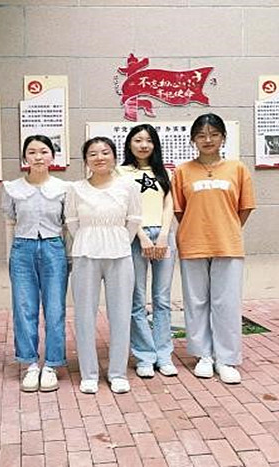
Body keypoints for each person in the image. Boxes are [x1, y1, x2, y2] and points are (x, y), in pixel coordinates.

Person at [172, 113, 256, 384]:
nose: (208, 140)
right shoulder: (182, 171)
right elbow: (179, 210)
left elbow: (245, 207)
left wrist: (226, 227)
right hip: (192, 244)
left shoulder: (237, 169)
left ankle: (226, 359)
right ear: (193, 140)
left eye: (214, 134)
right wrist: (196, 229)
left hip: (227, 244)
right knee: (195, 302)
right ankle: (203, 356)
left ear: (223, 138)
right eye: (201, 135)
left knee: (226, 303)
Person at [65, 137, 142, 394]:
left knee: (120, 313)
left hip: (119, 253)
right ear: (86, 160)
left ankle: (117, 373)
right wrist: (91, 238)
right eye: (93, 154)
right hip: (85, 253)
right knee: (84, 314)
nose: (99, 158)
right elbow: (72, 222)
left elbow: (134, 219)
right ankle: (89, 374)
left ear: (114, 157)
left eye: (105, 152)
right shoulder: (75, 189)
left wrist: (117, 240)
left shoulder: (128, 186)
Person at [2, 135, 69, 393]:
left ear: (52, 156)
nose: (38, 157)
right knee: (24, 308)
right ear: (24, 157)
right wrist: (10, 256)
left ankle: (52, 364)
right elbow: (10, 223)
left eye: (43, 151)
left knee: (55, 308)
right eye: (32, 152)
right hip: (22, 248)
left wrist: (68, 257)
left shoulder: (64, 188)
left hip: (54, 248)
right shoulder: (12, 188)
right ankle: (30, 363)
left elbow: (67, 226)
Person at [118, 124, 178, 379]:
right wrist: (141, 236)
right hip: (135, 238)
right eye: (138, 140)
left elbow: (169, 204)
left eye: (149, 140)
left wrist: (164, 235)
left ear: (155, 145)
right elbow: (123, 208)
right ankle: (144, 356)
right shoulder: (120, 172)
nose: (143, 145)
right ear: (129, 143)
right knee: (137, 300)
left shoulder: (164, 171)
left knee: (162, 300)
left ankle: (164, 355)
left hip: (164, 237)